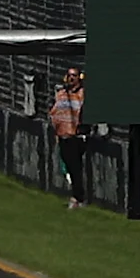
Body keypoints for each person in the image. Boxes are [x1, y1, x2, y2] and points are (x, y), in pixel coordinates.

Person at [48, 68, 86, 209]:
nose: (71, 78)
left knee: (75, 167)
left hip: (75, 136)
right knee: (68, 166)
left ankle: (77, 198)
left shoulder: (82, 94)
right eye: (69, 75)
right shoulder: (61, 94)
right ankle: (77, 195)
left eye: (74, 76)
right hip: (62, 134)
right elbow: (54, 113)